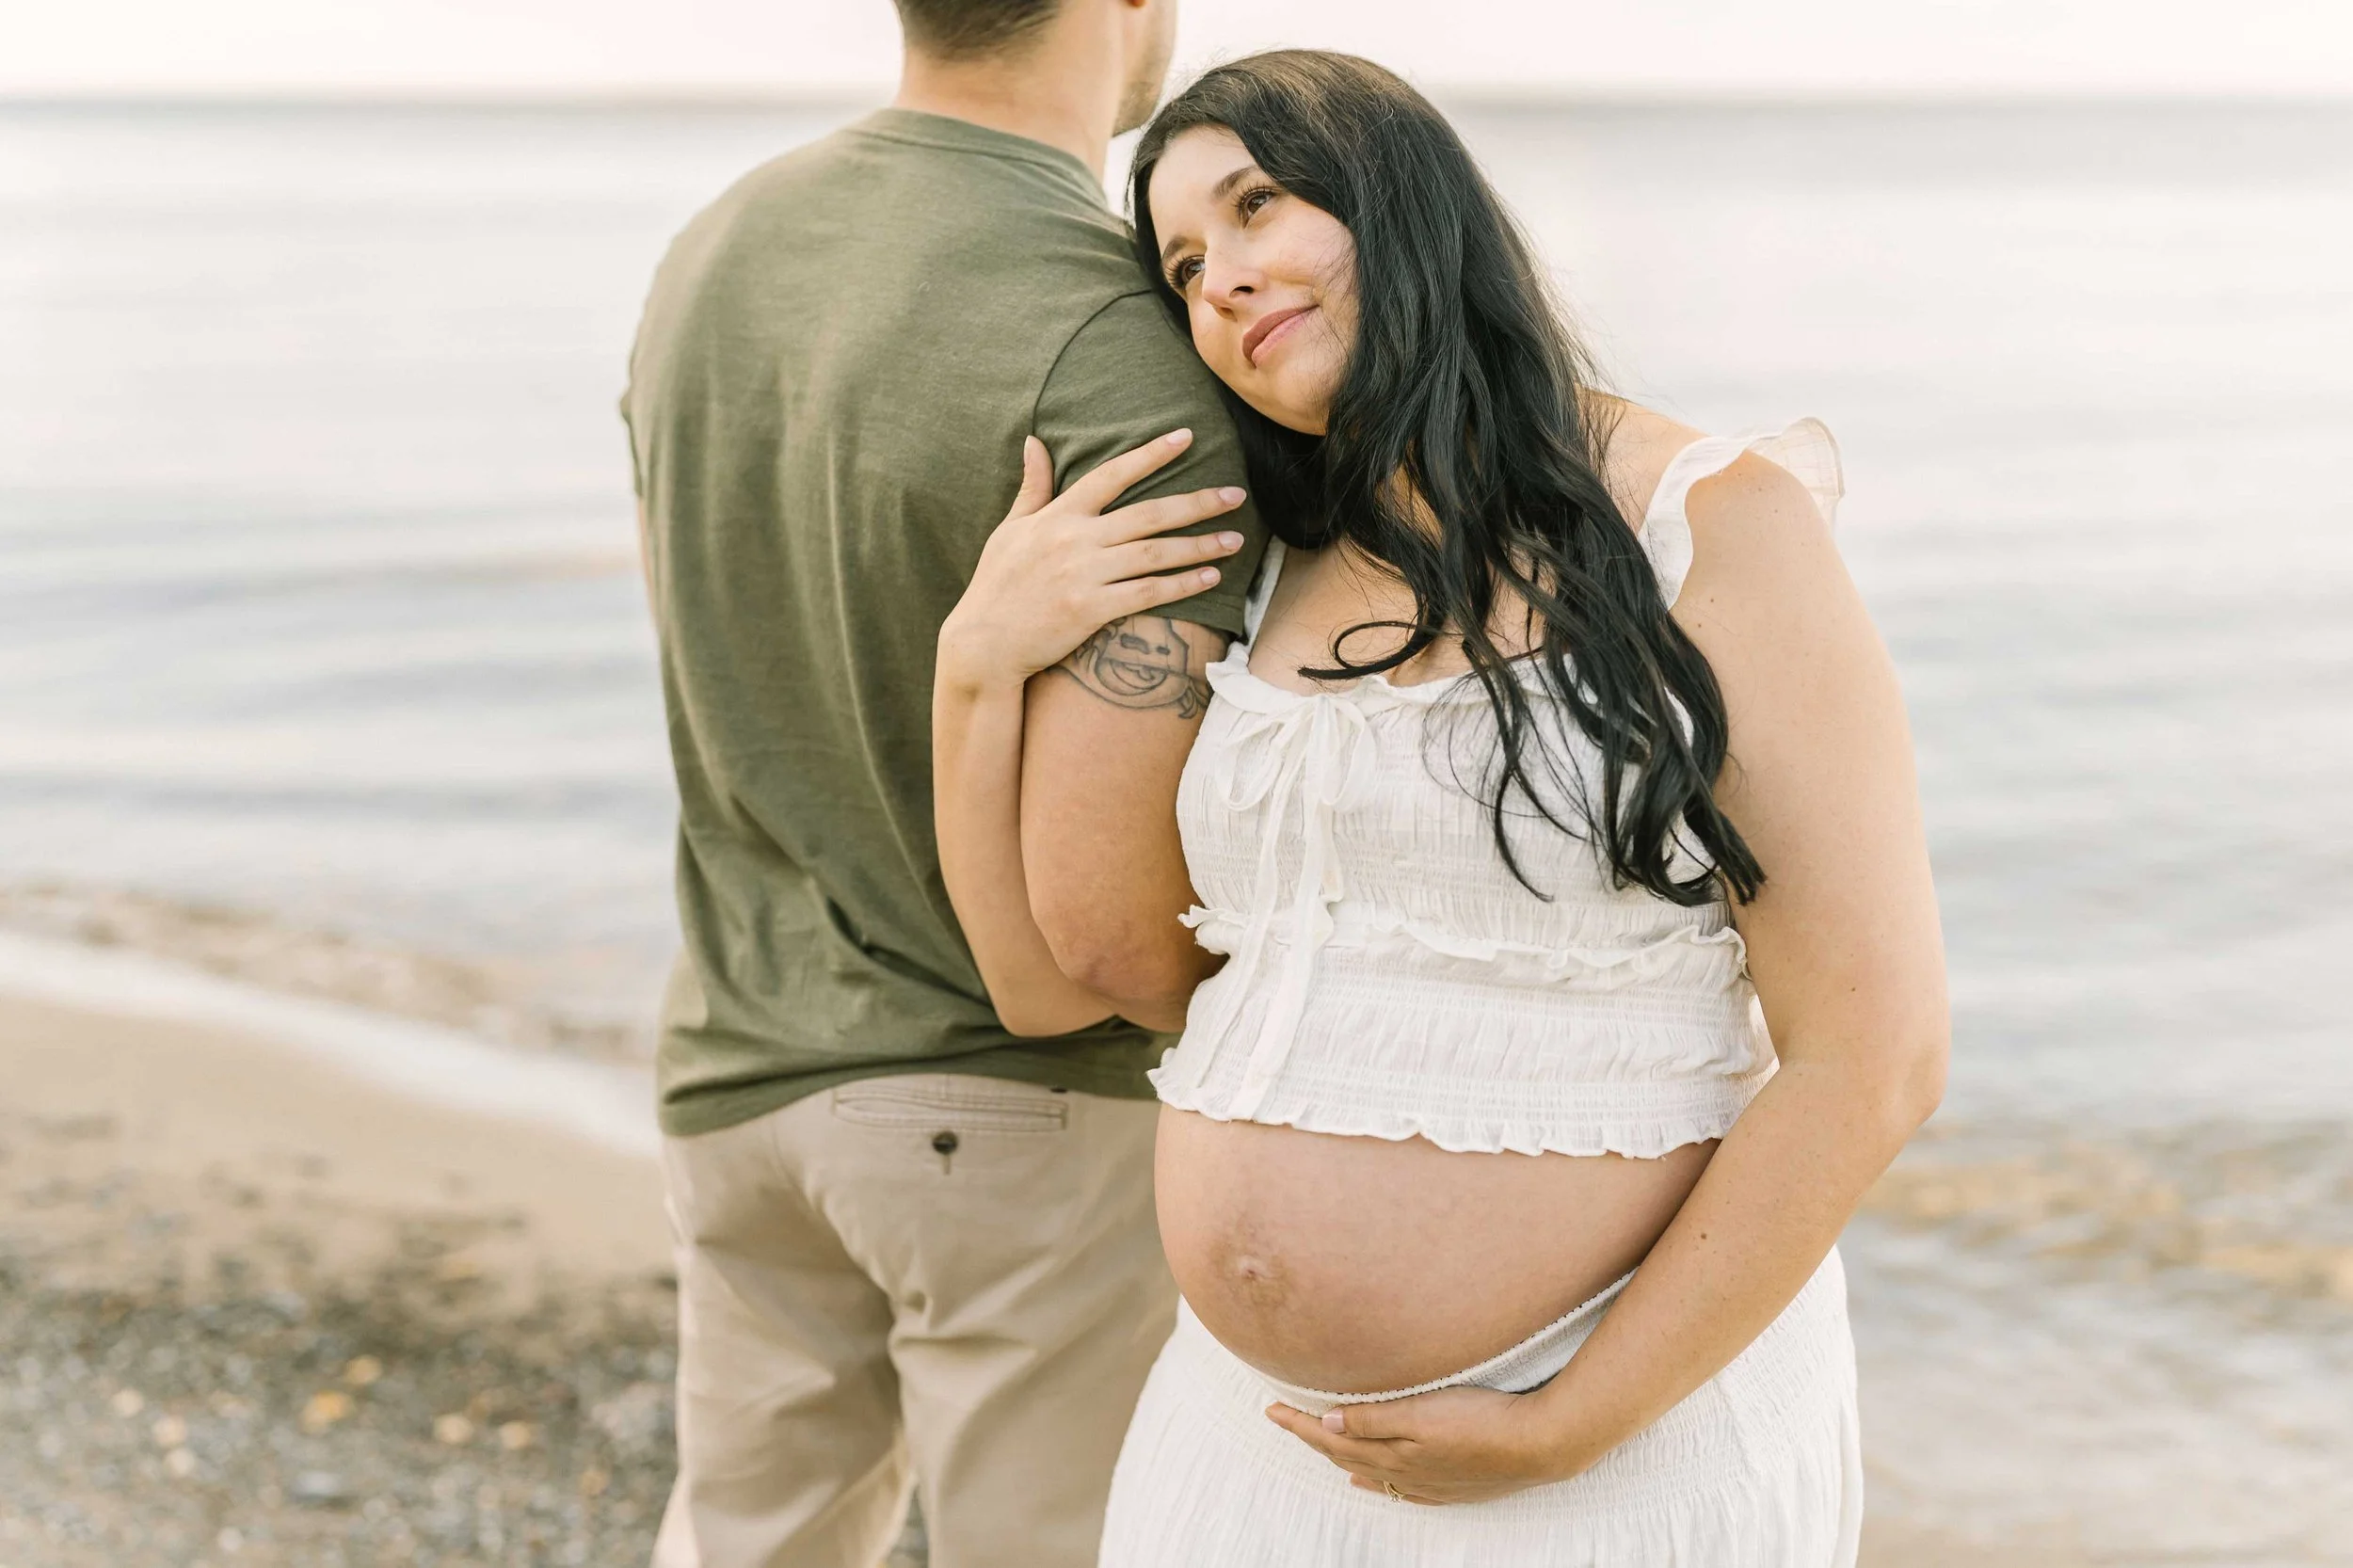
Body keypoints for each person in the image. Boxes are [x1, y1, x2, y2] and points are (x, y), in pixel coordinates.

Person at [933, 51, 1948, 1566]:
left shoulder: (1711, 524)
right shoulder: (1260, 573)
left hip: (1616, 1445)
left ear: (1402, 200)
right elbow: (1043, 978)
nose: (1219, 283)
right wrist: (971, 675)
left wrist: (1576, 1418)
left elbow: (1876, 1052)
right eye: (1185, 265)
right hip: (1244, 1440)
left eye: (1258, 205)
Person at [616, 0, 1268, 1562]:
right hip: (1015, 1113)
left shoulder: (711, 254)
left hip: (737, 1064)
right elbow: (1114, 938)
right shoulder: (1113, 322)